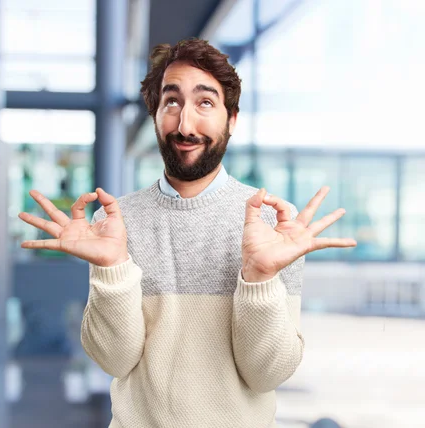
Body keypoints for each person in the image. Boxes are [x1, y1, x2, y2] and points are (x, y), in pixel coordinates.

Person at [19, 38, 357, 428]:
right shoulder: (116, 221)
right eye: (172, 102)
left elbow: (269, 374)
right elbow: (114, 361)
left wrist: (259, 277)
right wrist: (113, 268)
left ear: (231, 119)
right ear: (155, 114)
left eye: (205, 103)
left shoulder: (275, 223)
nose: (185, 124)